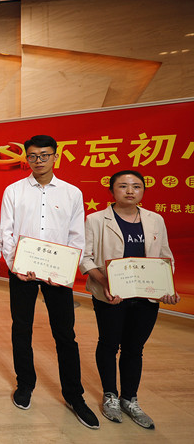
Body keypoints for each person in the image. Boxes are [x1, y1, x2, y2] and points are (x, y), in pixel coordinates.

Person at [1, 134, 99, 429]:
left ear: (56, 156)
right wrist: (15, 266)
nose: (39, 161)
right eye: (33, 156)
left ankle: (74, 395)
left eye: (44, 155)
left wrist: (66, 271)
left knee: (65, 334)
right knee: (21, 329)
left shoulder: (71, 193)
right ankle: (25, 384)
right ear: (26, 159)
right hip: (23, 272)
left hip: (58, 275)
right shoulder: (14, 191)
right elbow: (6, 233)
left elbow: (77, 236)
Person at [80, 169, 180, 429]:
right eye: (123, 186)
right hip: (111, 294)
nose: (130, 191)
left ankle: (130, 398)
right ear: (112, 190)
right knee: (109, 344)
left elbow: (166, 257)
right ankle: (110, 395)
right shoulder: (95, 219)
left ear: (143, 191)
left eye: (136, 186)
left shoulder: (155, 219)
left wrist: (166, 287)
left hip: (146, 296)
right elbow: (85, 257)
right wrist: (105, 282)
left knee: (135, 348)